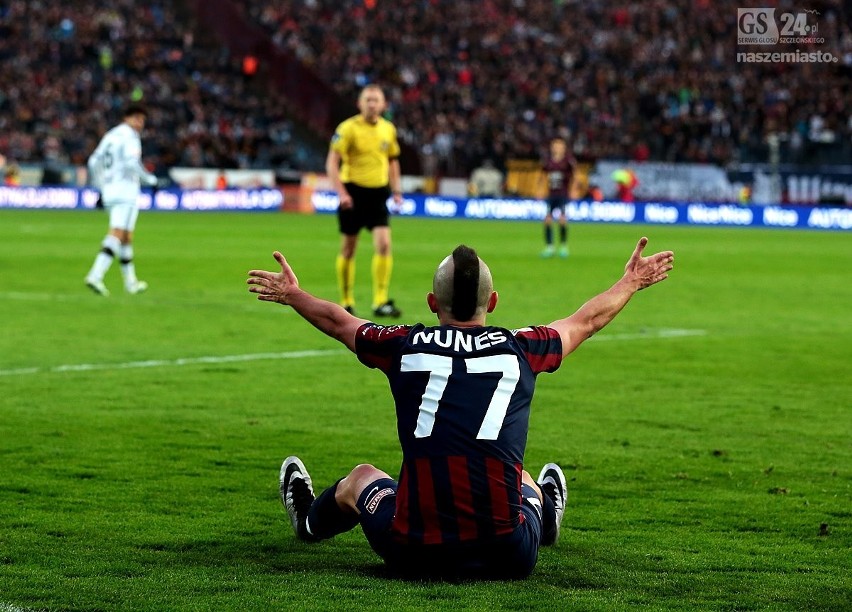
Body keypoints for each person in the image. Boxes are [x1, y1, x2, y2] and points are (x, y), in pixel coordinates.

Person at [247, 237, 674, 579]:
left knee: (360, 479)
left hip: (413, 550)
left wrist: (293, 294)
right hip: (509, 554)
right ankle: (541, 518)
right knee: (522, 478)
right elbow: (586, 321)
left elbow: (339, 322)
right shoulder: (521, 348)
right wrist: (630, 282)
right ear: (493, 303)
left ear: (433, 304)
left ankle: (308, 522)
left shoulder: (404, 345)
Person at [326, 84, 403, 318]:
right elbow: (332, 163)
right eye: (367, 100)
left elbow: (392, 160)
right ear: (359, 103)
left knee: (384, 245)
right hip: (353, 192)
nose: (371, 104)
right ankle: (346, 301)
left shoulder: (388, 130)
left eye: (376, 100)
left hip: (378, 193)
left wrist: (397, 190)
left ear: (383, 105)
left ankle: (380, 301)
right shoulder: (347, 128)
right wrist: (342, 194)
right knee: (349, 248)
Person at [84, 104, 158, 296]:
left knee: (126, 236)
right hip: (126, 192)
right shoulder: (130, 137)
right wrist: (151, 180)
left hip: (110, 191)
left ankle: (131, 282)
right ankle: (95, 275)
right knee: (117, 233)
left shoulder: (111, 135)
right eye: (137, 118)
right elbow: (131, 162)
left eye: (142, 120)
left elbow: (93, 162)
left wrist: (100, 188)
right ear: (127, 118)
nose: (140, 123)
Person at [538, 137, 576, 258]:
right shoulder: (548, 161)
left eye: (559, 145)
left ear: (564, 148)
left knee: (562, 219)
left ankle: (563, 246)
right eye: (555, 145)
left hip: (563, 194)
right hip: (551, 194)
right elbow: (542, 175)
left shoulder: (568, 161)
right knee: (547, 220)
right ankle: (549, 247)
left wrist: (574, 190)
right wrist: (539, 189)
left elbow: (575, 176)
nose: (557, 147)